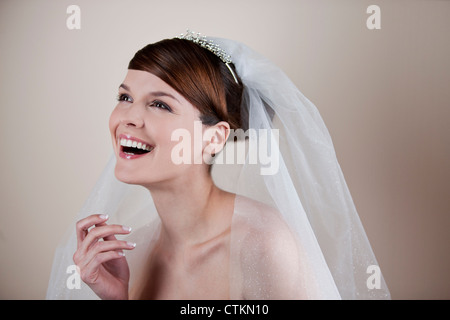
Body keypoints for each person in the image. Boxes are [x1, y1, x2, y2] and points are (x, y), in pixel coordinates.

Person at [46, 31, 391, 300]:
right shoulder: (128, 254)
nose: (129, 118)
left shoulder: (263, 247)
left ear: (214, 138)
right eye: (125, 97)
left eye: (160, 105)